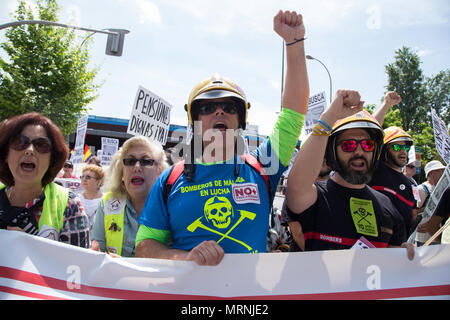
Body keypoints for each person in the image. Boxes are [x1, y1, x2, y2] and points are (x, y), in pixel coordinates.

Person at [135, 10, 309, 266]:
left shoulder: (264, 166)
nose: (219, 111)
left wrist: (294, 44)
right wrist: (186, 257)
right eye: (206, 108)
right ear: (194, 121)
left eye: (229, 107)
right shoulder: (170, 180)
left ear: (241, 120)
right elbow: (144, 246)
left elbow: (293, 113)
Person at [285, 91, 414, 260]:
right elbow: (296, 185)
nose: (359, 151)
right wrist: (329, 117)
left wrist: (402, 256)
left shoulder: (388, 207)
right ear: (332, 153)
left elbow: (390, 270)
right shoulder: (315, 197)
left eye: (367, 144)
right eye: (348, 145)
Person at [0, 112, 90, 247]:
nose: (29, 150)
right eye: (20, 142)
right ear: (6, 154)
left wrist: (30, 249)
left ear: (51, 159)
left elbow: (79, 265)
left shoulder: (70, 205)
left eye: (41, 145)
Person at [91, 136, 168, 257]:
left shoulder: (171, 206)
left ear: (159, 170)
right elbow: (96, 250)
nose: (137, 167)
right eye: (130, 161)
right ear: (121, 171)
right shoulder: (107, 203)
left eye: (146, 161)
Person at [368, 126, 417, 235]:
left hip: (400, 246)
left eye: (406, 148)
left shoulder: (410, 184)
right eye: (396, 147)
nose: (403, 151)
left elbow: (411, 214)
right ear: (384, 150)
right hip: (374, 243)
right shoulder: (376, 171)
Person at [79, 164, 105, 230]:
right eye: (82, 177)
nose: (84, 179)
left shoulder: (106, 200)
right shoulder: (76, 199)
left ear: (98, 181)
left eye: (88, 177)